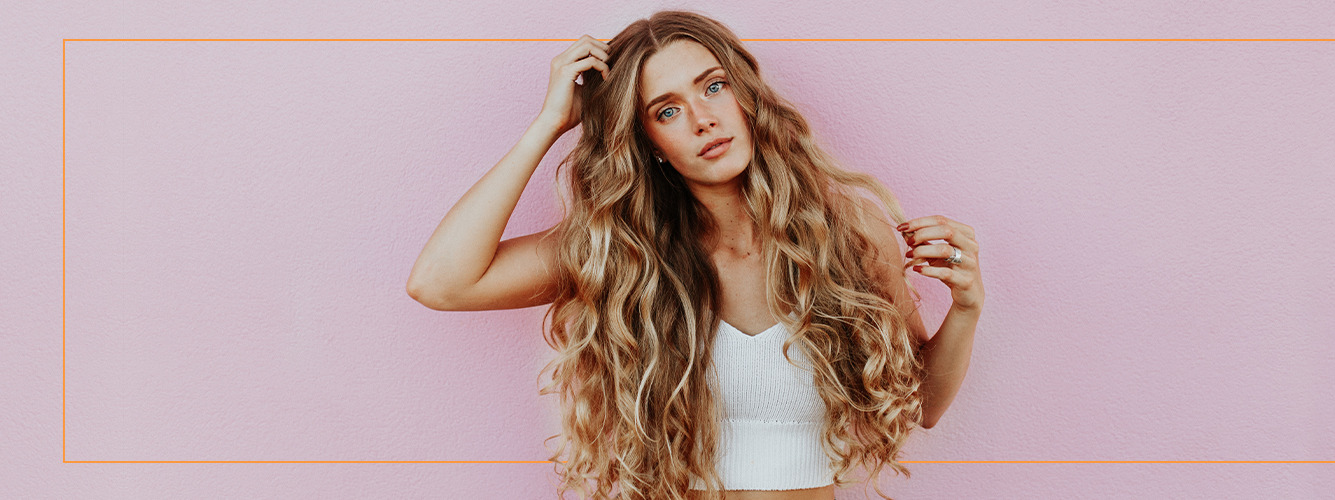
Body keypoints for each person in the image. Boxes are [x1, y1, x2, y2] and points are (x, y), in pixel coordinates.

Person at [406, 10, 984, 500]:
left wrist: (965, 308)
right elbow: (441, 282)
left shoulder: (846, 232)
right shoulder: (622, 252)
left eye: (713, 86)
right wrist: (551, 123)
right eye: (666, 110)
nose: (703, 119)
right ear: (647, 143)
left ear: (746, 94)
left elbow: (921, 405)